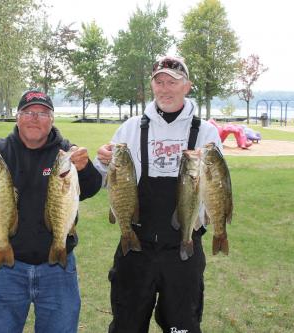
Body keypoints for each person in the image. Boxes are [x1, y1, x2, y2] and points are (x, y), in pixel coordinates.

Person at [0, 90, 102, 333]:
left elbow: (92, 187)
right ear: (17, 117)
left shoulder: (66, 152)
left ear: (52, 119)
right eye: (28, 112)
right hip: (6, 272)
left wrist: (84, 168)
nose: (35, 118)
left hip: (58, 270)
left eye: (43, 113)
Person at [94, 55, 223, 333]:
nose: (165, 88)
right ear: (152, 86)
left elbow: (216, 186)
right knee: (126, 325)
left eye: (172, 82)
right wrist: (102, 159)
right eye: (159, 82)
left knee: (182, 326)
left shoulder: (206, 132)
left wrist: (209, 167)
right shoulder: (130, 128)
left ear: (187, 86)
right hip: (136, 249)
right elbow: (104, 177)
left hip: (183, 249)